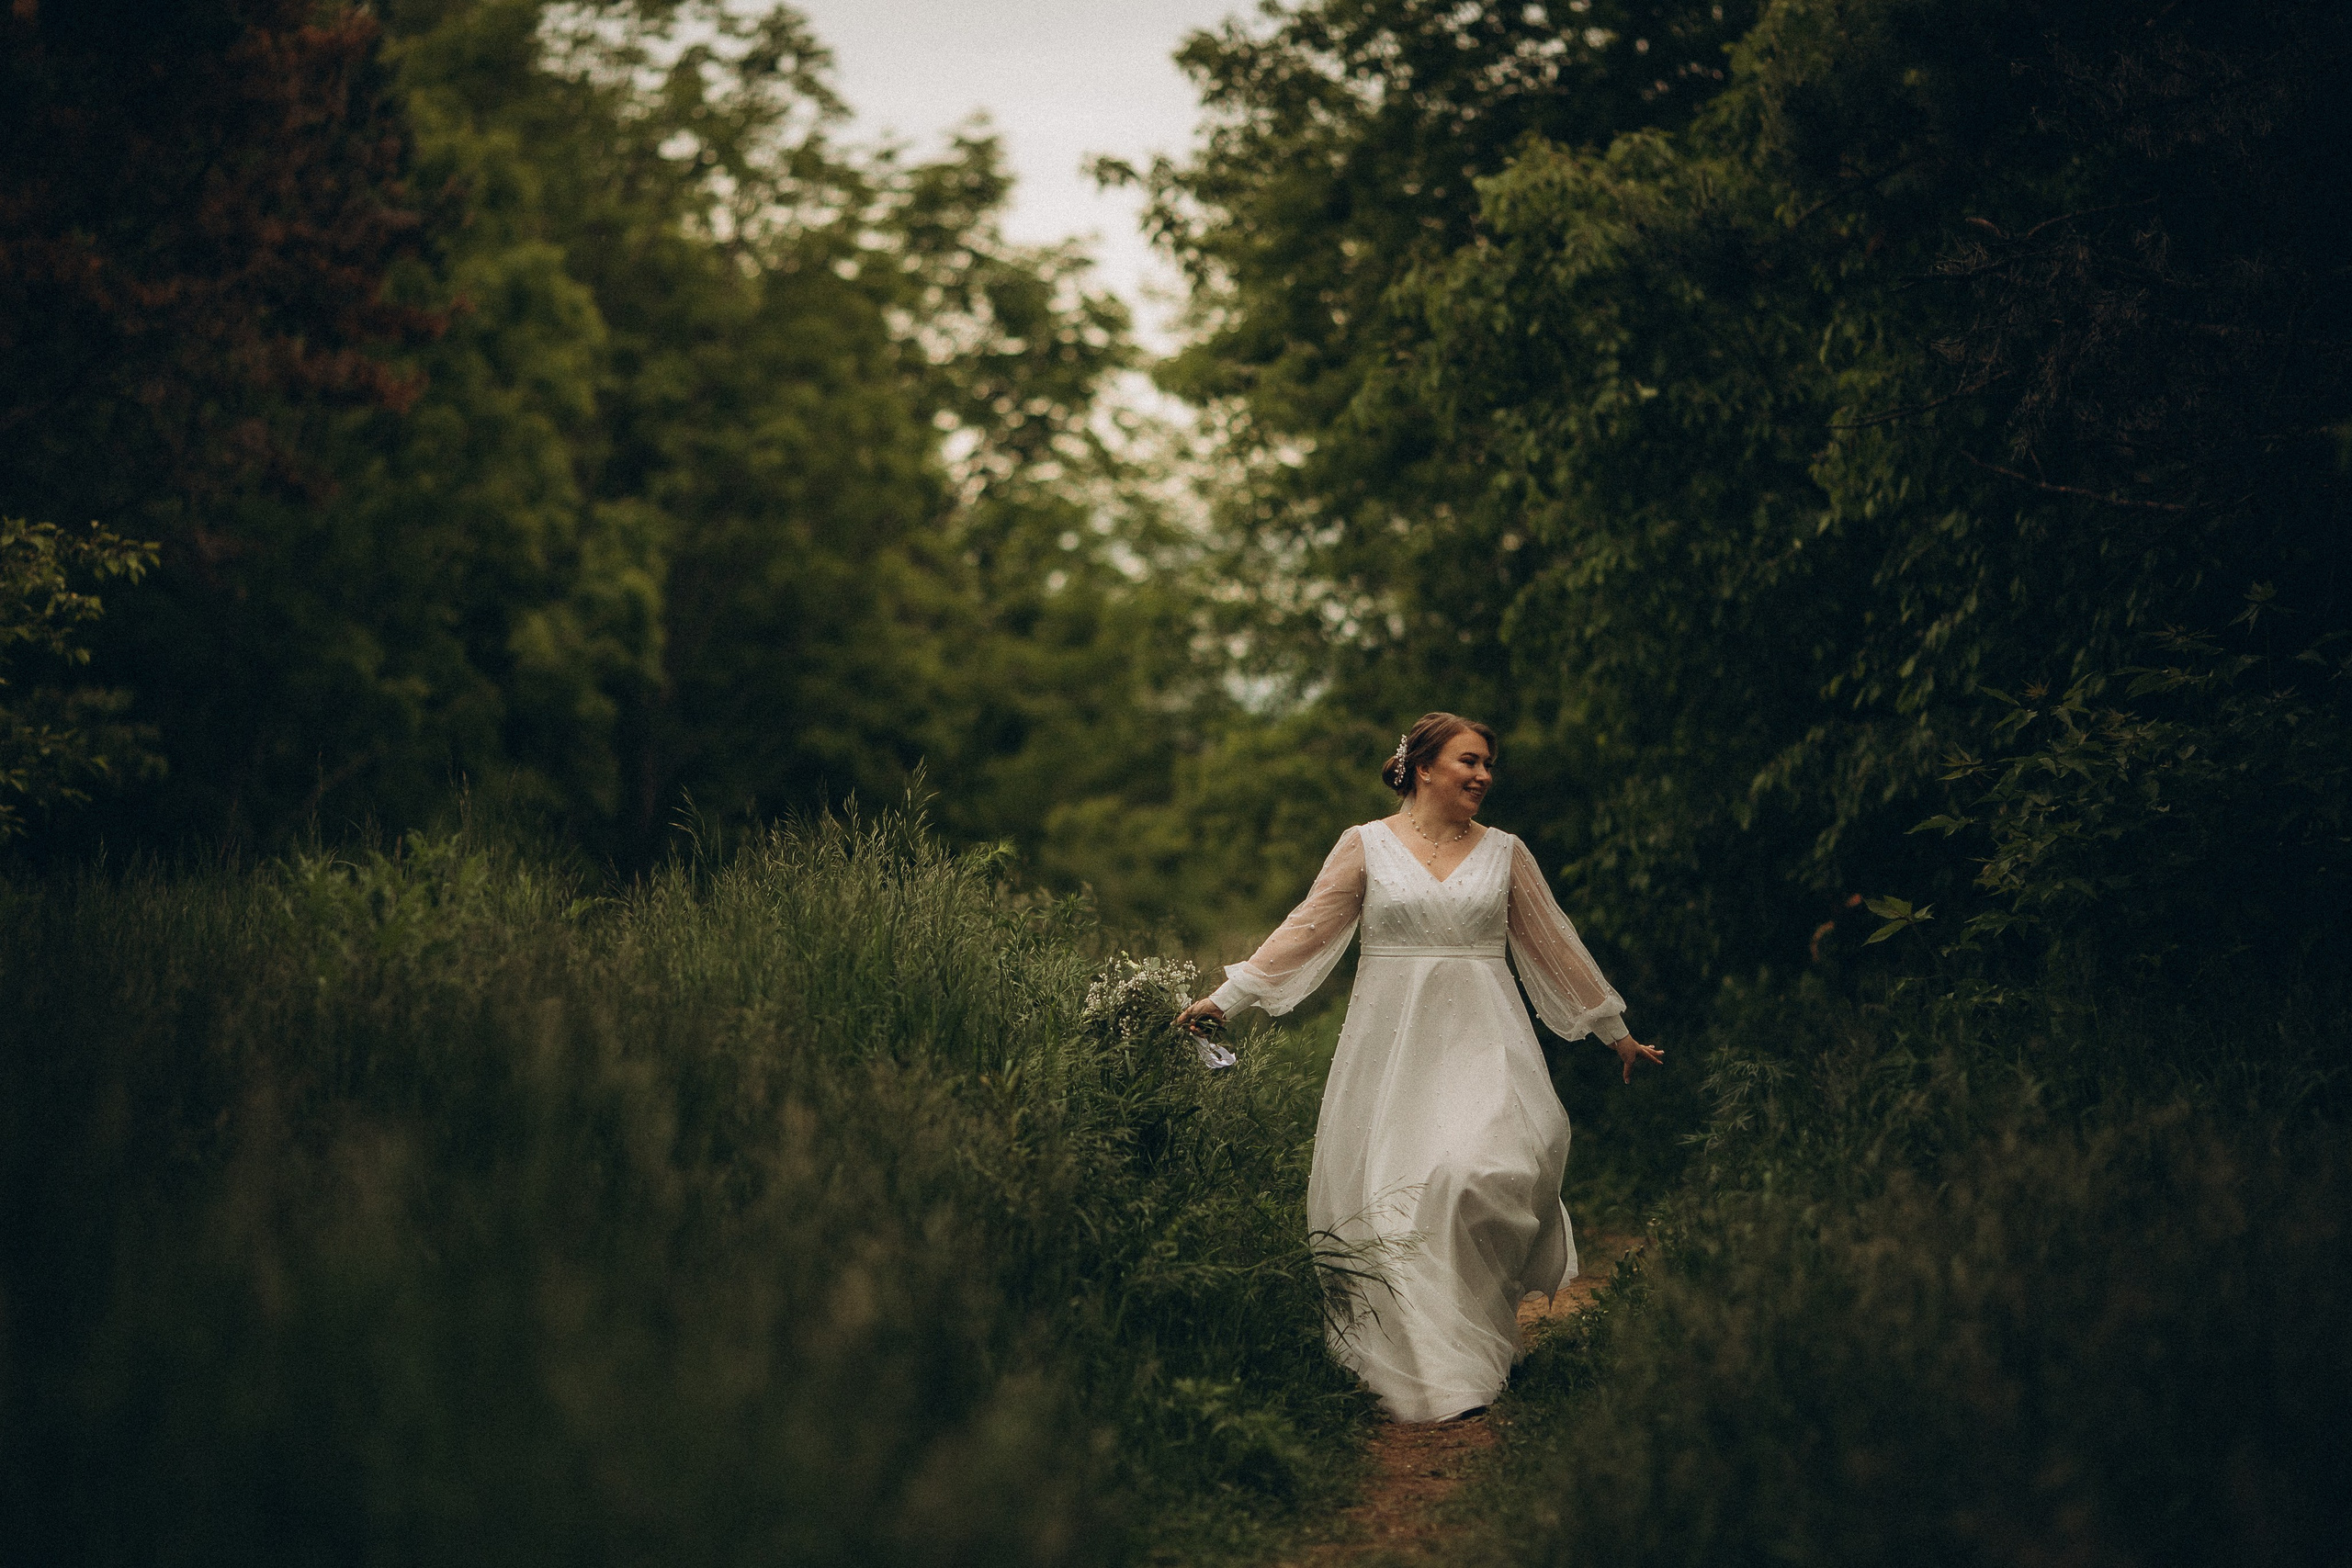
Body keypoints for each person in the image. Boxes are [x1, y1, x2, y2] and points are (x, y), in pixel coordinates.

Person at [1175, 712, 1664, 1423]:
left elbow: (1555, 945)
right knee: (1400, 1200)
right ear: (1424, 765)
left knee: (1485, 1175)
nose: (1484, 776)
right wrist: (1227, 998)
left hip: (1486, 1045)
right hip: (1393, 1050)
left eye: (1489, 764)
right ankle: (1435, 1367)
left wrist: (1613, 1032)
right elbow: (1305, 931)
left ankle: (1478, 1333)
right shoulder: (1366, 845)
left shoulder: (1506, 852)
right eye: (1470, 761)